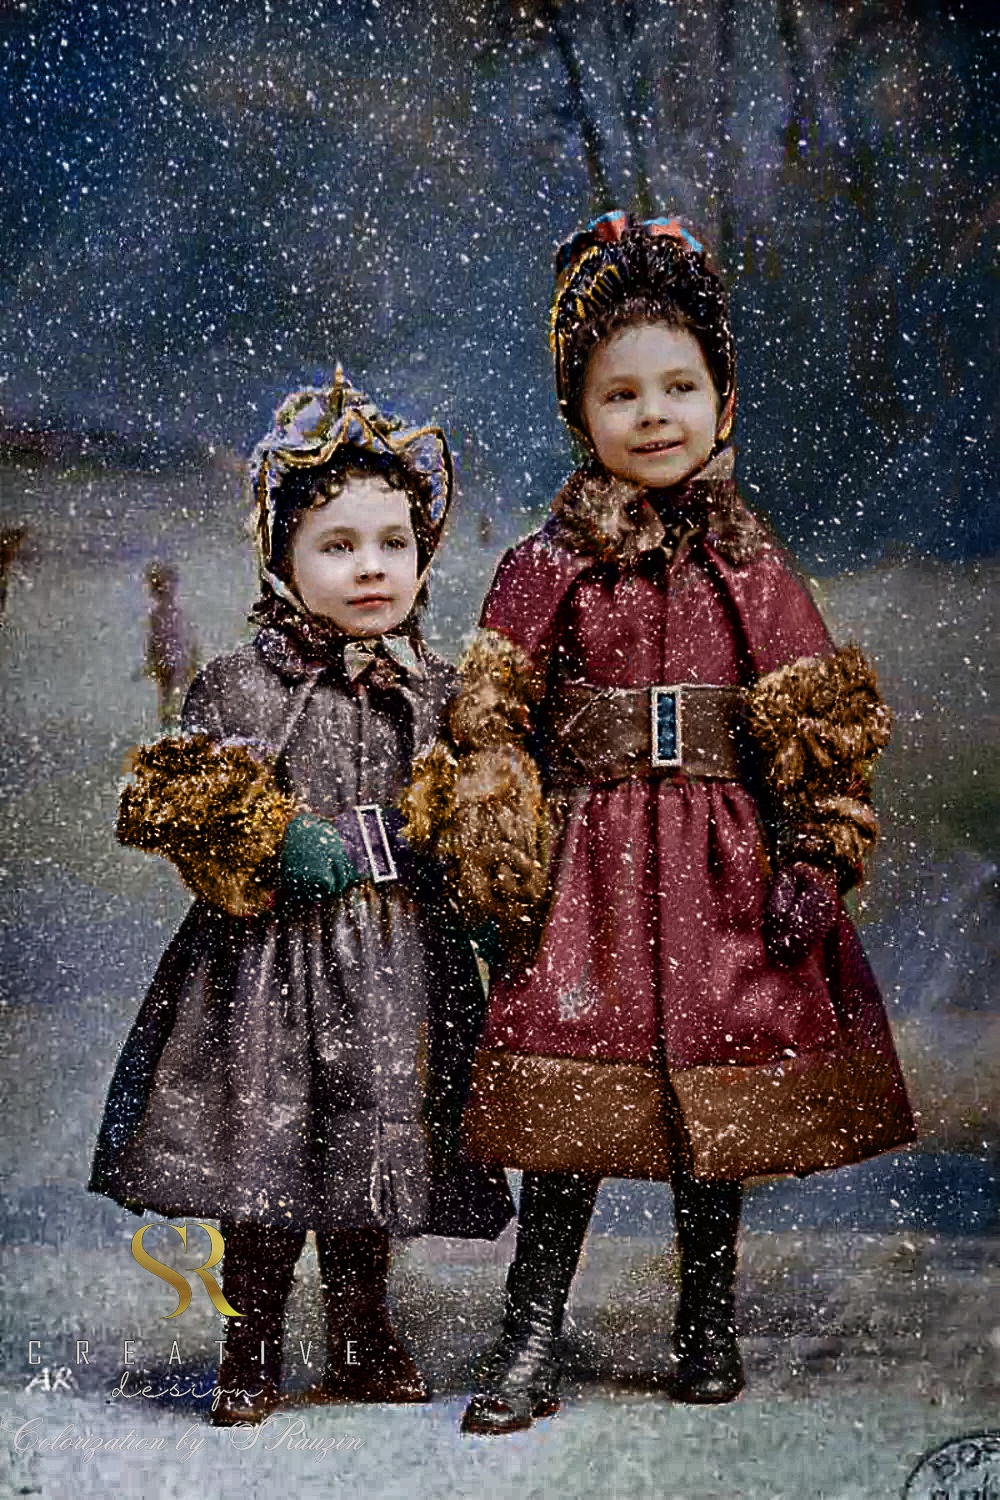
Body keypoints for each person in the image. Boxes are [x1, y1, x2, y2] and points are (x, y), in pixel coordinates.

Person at [403, 212, 916, 1435]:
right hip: (587, 865)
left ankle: (707, 1314)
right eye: (619, 394)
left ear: (723, 403)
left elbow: (814, 716)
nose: (653, 416)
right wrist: (494, 846)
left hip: (720, 860)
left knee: (716, 1104)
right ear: (579, 416)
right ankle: (530, 1332)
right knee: (570, 1106)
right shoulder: (545, 562)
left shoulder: (752, 561)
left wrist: (814, 849)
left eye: (679, 387)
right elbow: (489, 711)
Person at [90, 370, 513, 1423]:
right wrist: (274, 835)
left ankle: (365, 1329)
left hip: (396, 957)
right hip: (268, 961)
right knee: (269, 1149)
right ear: (282, 559)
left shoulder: (439, 685)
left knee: (376, 1140)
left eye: (393, 546)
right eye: (337, 546)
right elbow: (181, 798)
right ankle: (252, 1338)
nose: (371, 568)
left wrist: (470, 858)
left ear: (423, 556)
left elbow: (474, 808)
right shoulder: (244, 681)